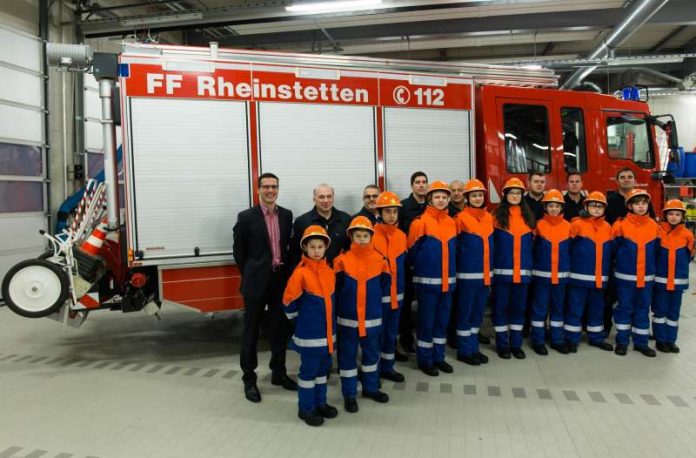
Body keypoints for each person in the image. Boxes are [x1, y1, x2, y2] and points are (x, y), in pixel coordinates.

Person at [233, 173, 296, 403]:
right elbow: (239, 252)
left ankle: (278, 373)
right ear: (258, 189)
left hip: (280, 281)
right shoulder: (246, 217)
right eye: (266, 187)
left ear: (278, 189)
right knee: (252, 331)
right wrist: (253, 272)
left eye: (274, 186)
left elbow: (287, 248)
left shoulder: (286, 215)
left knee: (280, 328)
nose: (271, 190)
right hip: (256, 282)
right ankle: (249, 379)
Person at [334, 216, 391, 413]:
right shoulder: (341, 262)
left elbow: (384, 290)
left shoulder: (381, 261)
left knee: (371, 356)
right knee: (348, 359)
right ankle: (349, 395)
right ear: (351, 237)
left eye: (365, 235)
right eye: (357, 236)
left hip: (372, 320)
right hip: (348, 321)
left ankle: (371, 388)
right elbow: (336, 291)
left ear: (371, 236)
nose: (361, 239)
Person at [282, 225, 338, 427]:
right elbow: (288, 304)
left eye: (320, 246)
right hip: (309, 335)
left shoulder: (329, 271)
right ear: (304, 248)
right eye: (312, 246)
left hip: (327, 335)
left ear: (325, 248)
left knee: (323, 371)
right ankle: (305, 408)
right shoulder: (300, 274)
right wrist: (302, 324)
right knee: (308, 374)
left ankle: (320, 403)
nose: (316, 251)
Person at [408, 181, 457, 376]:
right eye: (437, 197)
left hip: (447, 284)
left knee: (441, 322)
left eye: (444, 197)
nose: (441, 200)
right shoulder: (419, 223)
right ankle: (425, 360)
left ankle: (439, 357)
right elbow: (411, 253)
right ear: (430, 199)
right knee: (426, 323)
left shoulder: (452, 222)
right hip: (427, 285)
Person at [611, 188, 659, 357]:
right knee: (624, 308)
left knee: (642, 309)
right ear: (629, 206)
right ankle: (622, 342)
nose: (641, 206)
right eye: (637, 203)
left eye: (644, 203)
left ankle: (641, 343)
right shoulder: (620, 225)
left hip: (646, 279)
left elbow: (658, 252)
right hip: (625, 278)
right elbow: (613, 250)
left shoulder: (654, 226)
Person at [492, 177, 536, 359]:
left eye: (518, 193)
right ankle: (502, 345)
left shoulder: (529, 218)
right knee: (501, 309)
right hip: (502, 275)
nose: (515, 196)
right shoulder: (495, 217)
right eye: (511, 193)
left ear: (522, 195)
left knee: (519, 310)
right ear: (505, 195)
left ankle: (516, 345)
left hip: (523, 274)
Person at [565, 192, 614, 353]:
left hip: (599, 279)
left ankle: (596, 338)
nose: (596, 208)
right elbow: (567, 250)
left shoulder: (608, 227)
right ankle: (572, 339)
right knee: (575, 309)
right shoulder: (576, 225)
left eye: (600, 206)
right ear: (585, 207)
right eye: (593, 205)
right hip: (578, 279)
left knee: (597, 309)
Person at [454, 179, 493, 366]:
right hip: (467, 277)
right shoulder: (460, 218)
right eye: (474, 195)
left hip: (484, 276)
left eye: (480, 195)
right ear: (467, 197)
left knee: (477, 315)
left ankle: (474, 348)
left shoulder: (489, 218)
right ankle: (464, 351)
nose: (477, 198)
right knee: (465, 314)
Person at [529, 189, 571, 356]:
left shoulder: (569, 227)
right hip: (541, 277)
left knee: (558, 309)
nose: (554, 209)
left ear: (562, 208)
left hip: (561, 277)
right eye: (551, 206)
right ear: (545, 207)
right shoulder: (538, 226)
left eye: (557, 206)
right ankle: (538, 341)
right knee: (539, 309)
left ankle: (557, 340)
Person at [373, 191, 408, 383]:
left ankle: (388, 367)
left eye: (395, 211)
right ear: (379, 212)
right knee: (376, 336)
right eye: (388, 211)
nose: (392, 215)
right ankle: (373, 371)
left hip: (397, 296)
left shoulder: (402, 236)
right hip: (378, 298)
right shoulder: (369, 236)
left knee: (391, 334)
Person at [652, 199, 694, 353]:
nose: (674, 217)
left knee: (673, 312)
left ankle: (671, 340)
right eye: (671, 214)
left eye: (677, 214)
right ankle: (660, 340)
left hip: (677, 282)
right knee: (660, 311)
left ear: (682, 216)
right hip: (660, 281)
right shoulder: (658, 231)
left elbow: (689, 256)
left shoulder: (688, 235)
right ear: (665, 215)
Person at [398, 171, 429, 355]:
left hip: (427, 264)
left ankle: (426, 339)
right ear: (412, 186)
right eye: (417, 182)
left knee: (426, 303)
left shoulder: (432, 205)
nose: (421, 185)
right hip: (408, 264)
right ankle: (406, 339)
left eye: (424, 182)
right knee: (407, 302)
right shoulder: (403, 206)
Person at [291, 183, 351, 267]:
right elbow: (295, 254)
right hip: (312, 276)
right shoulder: (302, 222)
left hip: (339, 273)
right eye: (321, 197)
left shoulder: (346, 219)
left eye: (329, 196)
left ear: (333, 198)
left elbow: (350, 249)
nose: (326, 201)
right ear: (314, 199)